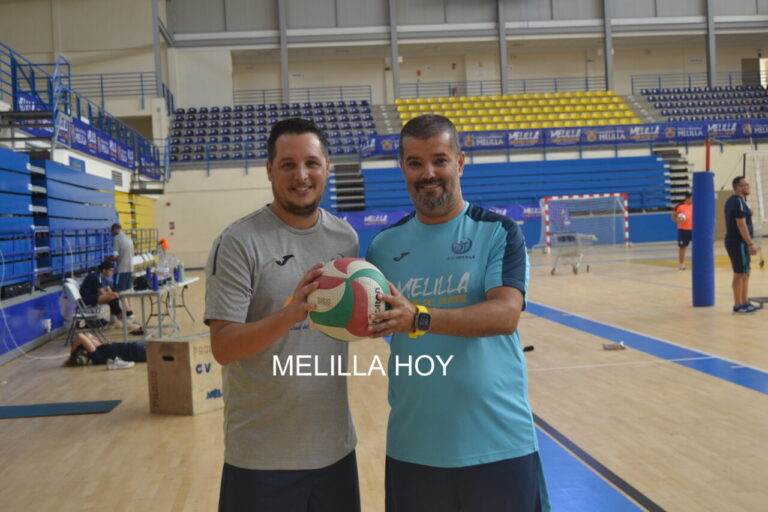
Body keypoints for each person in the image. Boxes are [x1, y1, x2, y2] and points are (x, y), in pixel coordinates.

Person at [366, 114, 550, 512]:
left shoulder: (498, 232)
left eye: (439, 159)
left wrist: (419, 318)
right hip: (415, 447)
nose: (427, 172)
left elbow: (505, 314)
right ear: (402, 168)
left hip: (498, 444)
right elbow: (369, 319)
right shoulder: (383, 247)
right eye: (415, 162)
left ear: (460, 162)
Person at [204, 118, 361, 512]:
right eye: (288, 164)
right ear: (269, 170)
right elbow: (223, 346)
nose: (301, 175)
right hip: (261, 460)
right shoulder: (239, 242)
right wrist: (289, 314)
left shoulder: (346, 239)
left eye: (311, 163)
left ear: (327, 167)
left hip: (335, 452)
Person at [724, 176, 759, 313]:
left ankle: (744, 302)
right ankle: (738, 305)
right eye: (745, 185)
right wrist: (750, 243)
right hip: (738, 242)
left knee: (746, 272)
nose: (747, 187)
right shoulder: (736, 201)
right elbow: (741, 224)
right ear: (738, 187)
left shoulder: (739, 202)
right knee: (739, 273)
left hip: (740, 242)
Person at [79, 260, 135, 328]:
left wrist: (116, 294)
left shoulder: (102, 277)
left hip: (93, 297)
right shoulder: (96, 277)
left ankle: (115, 321)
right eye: (111, 270)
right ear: (104, 270)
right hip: (86, 299)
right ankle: (125, 322)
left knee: (113, 298)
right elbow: (103, 293)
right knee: (111, 298)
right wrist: (116, 295)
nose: (112, 272)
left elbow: (109, 291)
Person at [65, 332, 146, 369]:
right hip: (139, 352)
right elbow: (80, 336)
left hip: (139, 347)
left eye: (93, 336)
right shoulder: (97, 355)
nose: (96, 338)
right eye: (91, 339)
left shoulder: (102, 348)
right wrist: (72, 352)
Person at [110, 223, 135, 318]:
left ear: (114, 230)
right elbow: (133, 254)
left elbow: (115, 255)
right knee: (128, 290)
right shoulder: (129, 239)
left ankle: (128, 312)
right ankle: (130, 309)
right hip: (130, 268)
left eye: (112, 232)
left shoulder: (116, 239)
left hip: (121, 269)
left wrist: (108, 259)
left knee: (119, 291)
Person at [672, 192, 693, 270]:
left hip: (693, 229)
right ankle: (681, 264)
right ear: (687, 198)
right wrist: (678, 219)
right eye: (691, 198)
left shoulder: (695, 206)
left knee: (697, 247)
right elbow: (673, 216)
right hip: (683, 230)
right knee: (683, 247)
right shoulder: (679, 206)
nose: (692, 200)